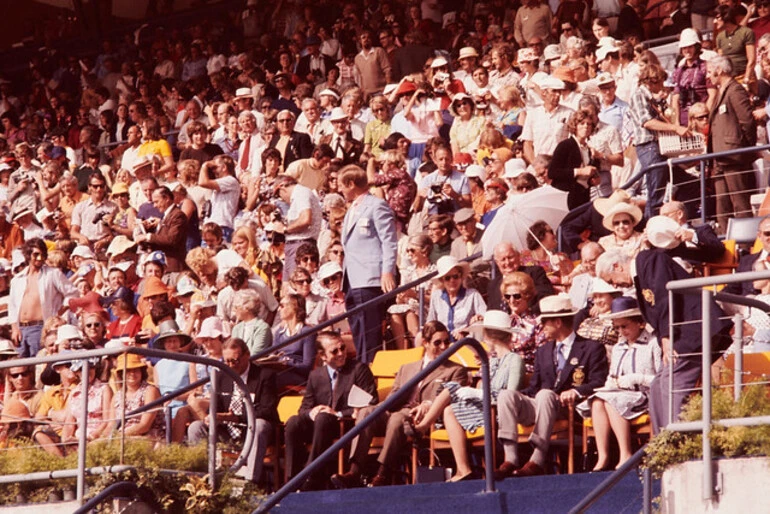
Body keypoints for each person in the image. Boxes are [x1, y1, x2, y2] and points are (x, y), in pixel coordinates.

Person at [595, 249, 732, 434]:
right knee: (658, 385)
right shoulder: (640, 276)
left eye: (611, 280)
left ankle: (675, 442)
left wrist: (667, 336)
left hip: (695, 328)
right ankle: (663, 440)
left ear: (617, 266)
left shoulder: (648, 259)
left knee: (671, 383)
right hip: (683, 332)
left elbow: (665, 296)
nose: (616, 285)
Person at [332, 320, 468, 488]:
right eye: (437, 342)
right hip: (397, 409)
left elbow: (449, 398)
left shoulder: (456, 370)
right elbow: (391, 398)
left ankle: (382, 473)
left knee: (398, 418)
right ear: (425, 343)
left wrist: (428, 404)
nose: (444, 346)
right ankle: (354, 471)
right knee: (366, 412)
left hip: (421, 416)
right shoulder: (407, 368)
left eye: (447, 342)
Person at [494, 294, 608, 478]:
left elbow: (599, 381)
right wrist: (518, 398)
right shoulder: (543, 351)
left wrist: (576, 391)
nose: (541, 327)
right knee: (506, 395)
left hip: (568, 407)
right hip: (541, 404)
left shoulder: (591, 347)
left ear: (557, 323)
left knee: (545, 395)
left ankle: (537, 459)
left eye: (545, 322)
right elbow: (534, 387)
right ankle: (511, 458)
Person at [414, 311, 523, 481]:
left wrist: (477, 392)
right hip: (484, 407)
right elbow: (482, 386)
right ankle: (463, 469)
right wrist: (477, 384)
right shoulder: (491, 361)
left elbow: (510, 395)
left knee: (452, 388)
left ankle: (423, 426)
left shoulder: (514, 359)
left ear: (490, 336)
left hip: (500, 412)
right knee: (449, 410)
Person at [284, 331, 378, 491]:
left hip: (345, 425)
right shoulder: (315, 375)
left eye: (342, 348)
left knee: (324, 418)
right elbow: (304, 408)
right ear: (322, 356)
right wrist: (311, 412)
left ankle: (311, 476)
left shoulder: (358, 369)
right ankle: (292, 480)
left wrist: (338, 414)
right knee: (293, 422)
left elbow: (371, 402)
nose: (341, 353)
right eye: (334, 351)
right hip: (320, 426)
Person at [577, 297, 661, 470]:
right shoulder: (618, 347)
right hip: (620, 394)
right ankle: (603, 456)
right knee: (598, 400)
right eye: (617, 327)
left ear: (639, 323)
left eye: (625, 326)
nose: (621, 332)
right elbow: (613, 375)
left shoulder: (654, 343)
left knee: (609, 401)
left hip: (646, 395)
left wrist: (636, 378)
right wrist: (610, 384)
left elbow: (662, 379)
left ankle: (626, 453)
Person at [188, 338, 278, 483]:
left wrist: (236, 418)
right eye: (226, 361)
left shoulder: (264, 376)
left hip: (252, 430)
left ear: (247, 355)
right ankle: (202, 479)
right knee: (195, 428)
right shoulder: (221, 376)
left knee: (259, 425)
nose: (230, 366)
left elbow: (267, 410)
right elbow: (216, 408)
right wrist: (212, 417)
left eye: (234, 361)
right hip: (227, 430)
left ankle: (250, 480)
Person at [339, 165, 398, 363]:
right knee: (358, 331)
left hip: (369, 279)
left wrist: (387, 272)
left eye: (342, 186)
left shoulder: (376, 205)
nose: (340, 190)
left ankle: (369, 374)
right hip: (351, 279)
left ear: (351, 184)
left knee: (369, 334)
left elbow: (389, 241)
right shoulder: (351, 209)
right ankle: (363, 371)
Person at [707, 55, 757, 232]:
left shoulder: (735, 90)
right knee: (722, 205)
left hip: (734, 156)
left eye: (709, 71)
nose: (708, 75)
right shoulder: (722, 91)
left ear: (719, 70)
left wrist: (745, 149)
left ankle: (746, 246)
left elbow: (748, 121)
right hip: (719, 158)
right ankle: (725, 249)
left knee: (740, 203)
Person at [9, 238, 78, 357]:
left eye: (42, 255)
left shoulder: (53, 274)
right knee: (20, 366)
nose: (40, 258)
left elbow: (72, 293)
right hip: (21, 329)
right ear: (28, 255)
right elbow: (13, 306)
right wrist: (14, 328)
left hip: (41, 327)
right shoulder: (17, 279)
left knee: (38, 363)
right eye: (36, 254)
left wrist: (60, 310)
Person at [389, 234, 436, 349]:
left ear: (424, 251)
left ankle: (418, 348)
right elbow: (400, 300)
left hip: (426, 308)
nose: (409, 254)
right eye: (407, 250)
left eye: (412, 250)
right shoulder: (408, 271)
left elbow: (435, 299)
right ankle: (402, 351)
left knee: (410, 313)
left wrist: (414, 294)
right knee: (395, 312)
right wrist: (400, 297)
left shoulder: (434, 271)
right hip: (409, 306)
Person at [272, 175, 323, 280]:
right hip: (297, 244)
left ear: (282, 187)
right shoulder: (300, 194)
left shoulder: (301, 193)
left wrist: (284, 229)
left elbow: (305, 219)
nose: (281, 198)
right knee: (288, 287)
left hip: (300, 245)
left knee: (295, 287)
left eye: (278, 194)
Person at [548, 110, 600, 210]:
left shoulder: (589, 150)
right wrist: (579, 171)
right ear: (575, 126)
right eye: (582, 123)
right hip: (565, 197)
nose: (586, 126)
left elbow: (589, 177)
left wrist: (594, 179)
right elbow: (552, 172)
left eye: (589, 124)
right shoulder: (565, 145)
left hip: (582, 198)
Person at [427, 256, 487, 340]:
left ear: (461, 276)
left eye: (455, 276)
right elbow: (430, 323)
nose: (452, 281)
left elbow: (485, 319)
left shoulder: (473, 294)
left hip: (466, 340)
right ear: (442, 280)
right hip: (443, 342)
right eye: (447, 278)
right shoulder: (436, 296)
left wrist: (467, 330)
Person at [108, 353, 164, 440]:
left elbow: (145, 425)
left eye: (136, 370)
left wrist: (119, 435)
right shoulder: (117, 396)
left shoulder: (150, 391)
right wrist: (101, 437)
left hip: (148, 437)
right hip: (120, 438)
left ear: (142, 372)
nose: (132, 374)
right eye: (128, 371)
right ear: (121, 374)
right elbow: (111, 424)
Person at [487, 242, 555, 311]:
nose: (507, 262)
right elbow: (491, 311)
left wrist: (526, 313)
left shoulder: (535, 273)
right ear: (497, 262)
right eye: (503, 259)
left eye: (510, 257)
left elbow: (546, 299)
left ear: (518, 256)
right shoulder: (493, 285)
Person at [135, 186, 188, 272]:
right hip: (164, 267)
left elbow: (172, 239)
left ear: (166, 198)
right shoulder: (166, 216)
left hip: (173, 267)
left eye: (156, 202)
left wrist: (147, 236)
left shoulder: (178, 215)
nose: (155, 206)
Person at [671, 29, 716, 127]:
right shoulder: (679, 71)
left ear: (696, 47)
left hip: (701, 118)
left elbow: (712, 95)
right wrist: (676, 123)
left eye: (690, 47)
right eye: (684, 48)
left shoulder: (706, 66)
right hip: (684, 120)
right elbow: (675, 99)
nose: (687, 50)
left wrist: (705, 117)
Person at [70, 171, 118, 253]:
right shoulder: (80, 207)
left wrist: (104, 241)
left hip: (105, 246)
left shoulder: (113, 207)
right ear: (89, 187)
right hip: (85, 245)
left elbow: (116, 233)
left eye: (101, 186)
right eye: (95, 186)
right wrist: (81, 237)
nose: (99, 189)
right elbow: (73, 232)